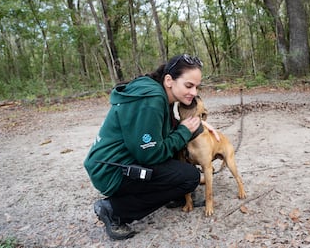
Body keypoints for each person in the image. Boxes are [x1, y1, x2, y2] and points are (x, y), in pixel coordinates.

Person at [84, 54, 218, 240]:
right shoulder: (152, 99)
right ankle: (114, 210)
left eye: (196, 87)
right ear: (169, 80)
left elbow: (158, 133)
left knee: (180, 168)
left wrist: (198, 126)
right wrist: (184, 132)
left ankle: (172, 194)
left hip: (113, 162)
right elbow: (151, 155)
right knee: (190, 177)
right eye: (189, 86)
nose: (194, 92)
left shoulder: (156, 92)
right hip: (111, 172)